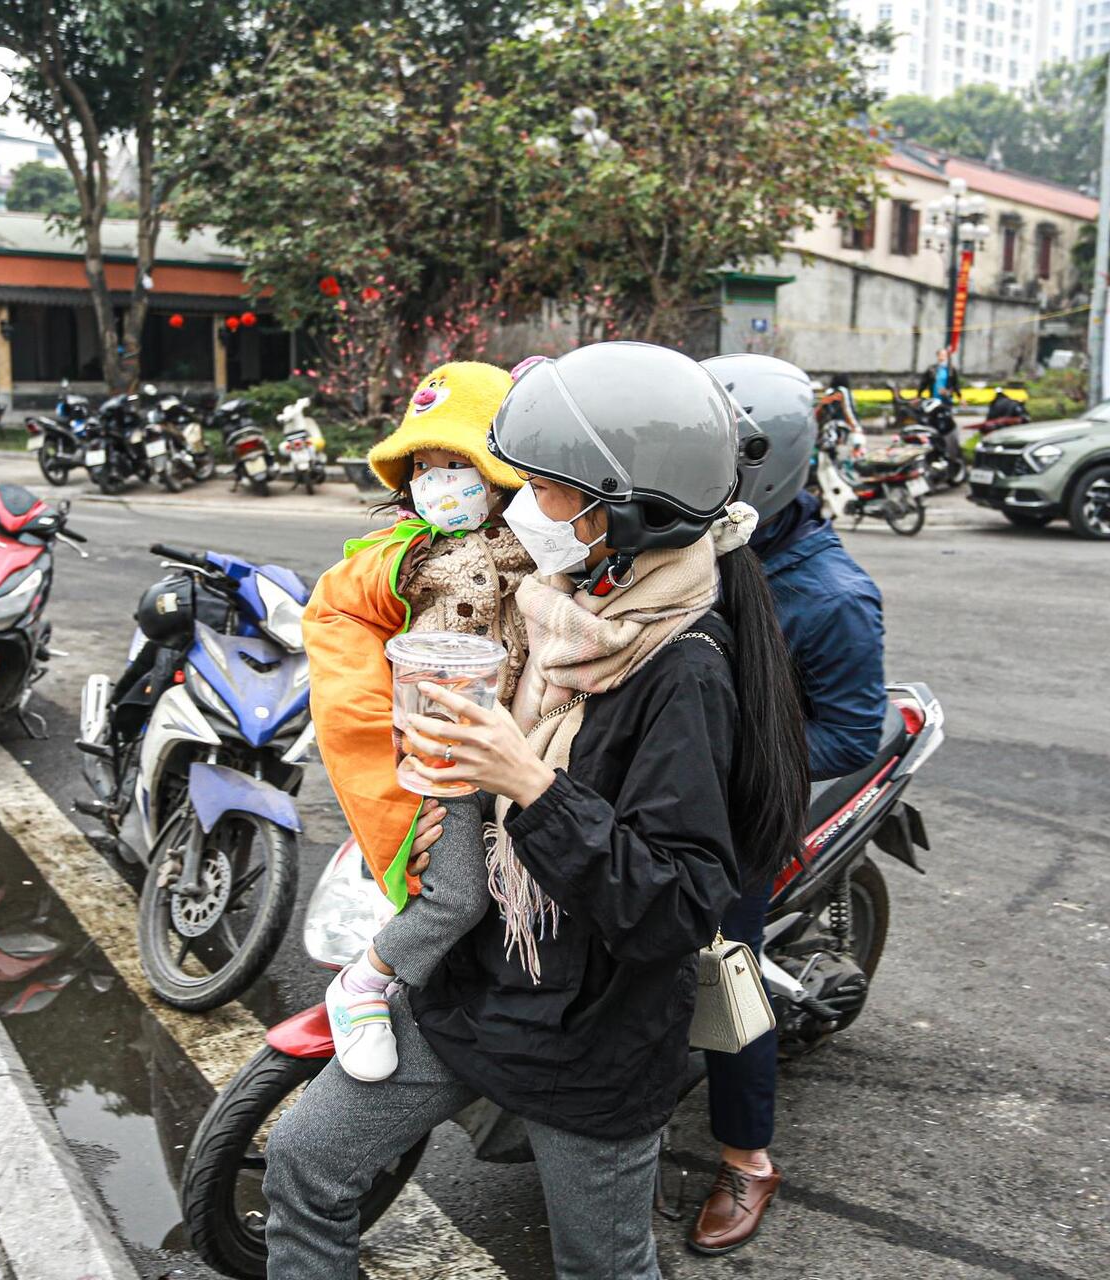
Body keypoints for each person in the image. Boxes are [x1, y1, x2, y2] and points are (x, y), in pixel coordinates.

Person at [262, 341, 811, 1279]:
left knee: (603, 1265)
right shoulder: (554, 602)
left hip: (589, 1042)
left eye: (550, 488)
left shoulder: (683, 670)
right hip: (470, 995)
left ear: (621, 511)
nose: (524, 506)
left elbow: (677, 906)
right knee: (303, 1165)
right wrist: (451, 787)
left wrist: (531, 785)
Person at [690, 353, 888, 1256]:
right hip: (659, 790)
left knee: (722, 966)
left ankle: (746, 1156)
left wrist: (720, 758)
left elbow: (851, 735)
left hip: (740, 814)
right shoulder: (683, 536)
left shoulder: (831, 596)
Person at [300, 361, 534, 1082]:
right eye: (424, 466)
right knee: (456, 895)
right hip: (444, 755)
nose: (439, 481)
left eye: (457, 462)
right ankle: (362, 985)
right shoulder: (407, 558)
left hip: (520, 747)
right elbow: (340, 617)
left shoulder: (538, 544)